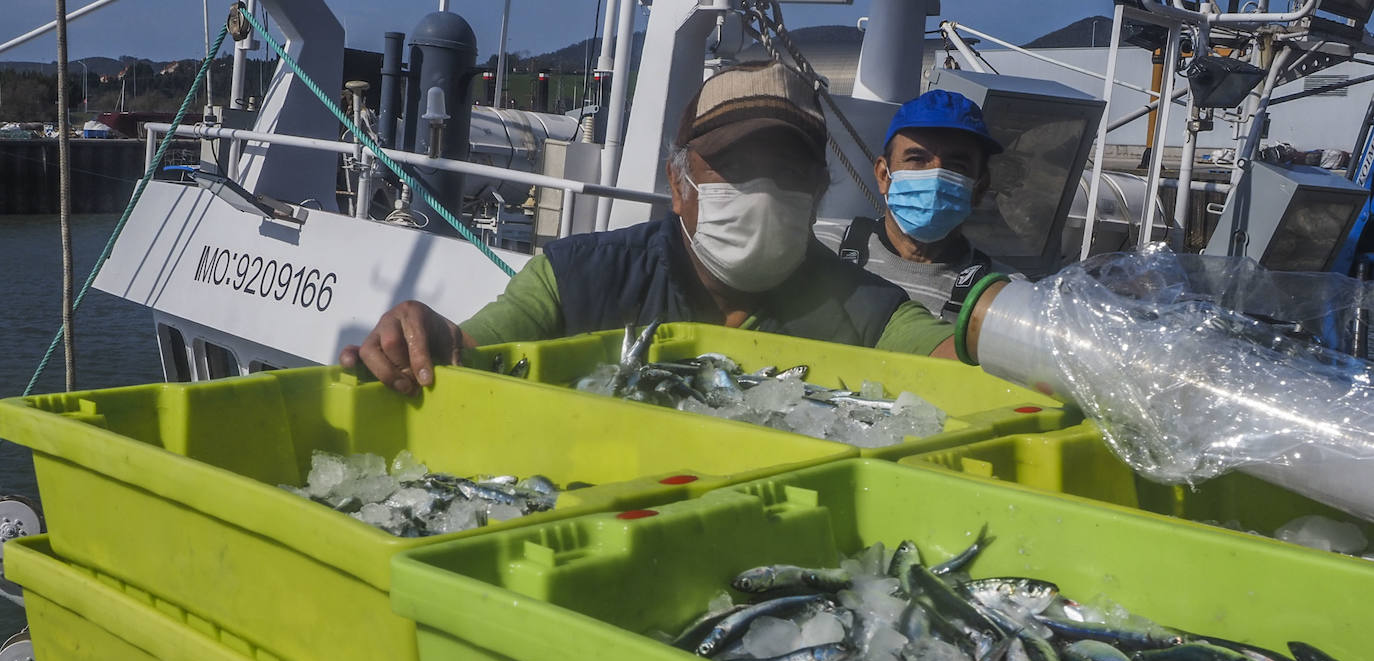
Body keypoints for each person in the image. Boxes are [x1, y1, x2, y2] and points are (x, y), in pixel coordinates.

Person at [341, 62, 1008, 395]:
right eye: (737, 166)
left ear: (819, 191)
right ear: (678, 183)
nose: (763, 189)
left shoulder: (866, 307)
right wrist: (422, 338)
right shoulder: (576, 277)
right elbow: (472, 349)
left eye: (788, 170)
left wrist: (1016, 331)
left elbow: (952, 362)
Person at [832, 90, 1004, 321]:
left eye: (957, 165)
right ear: (883, 175)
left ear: (979, 188)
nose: (935, 177)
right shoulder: (813, 246)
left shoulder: (1003, 296)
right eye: (917, 159)